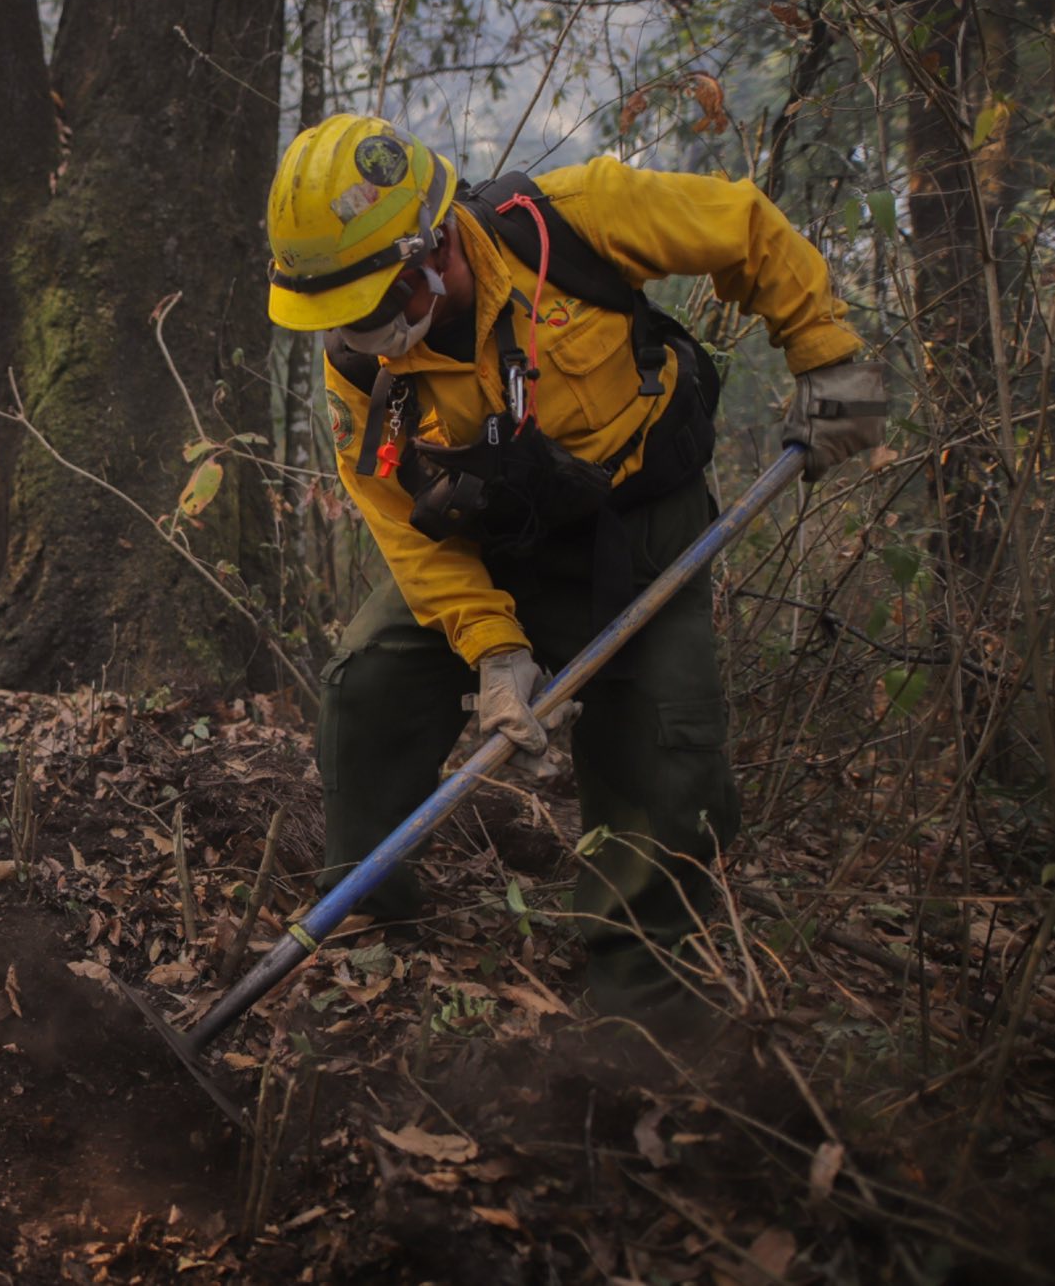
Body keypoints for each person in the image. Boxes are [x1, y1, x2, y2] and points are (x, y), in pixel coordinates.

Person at [264, 114, 886, 1026]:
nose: (354, 334)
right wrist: (493, 647)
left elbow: (744, 227)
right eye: (334, 314)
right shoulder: (362, 367)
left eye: (365, 303)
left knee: (666, 747)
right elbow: (399, 524)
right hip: (481, 543)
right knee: (368, 684)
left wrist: (827, 359)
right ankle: (367, 924)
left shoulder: (577, 221)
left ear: (429, 251)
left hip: (633, 529)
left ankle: (643, 1003)